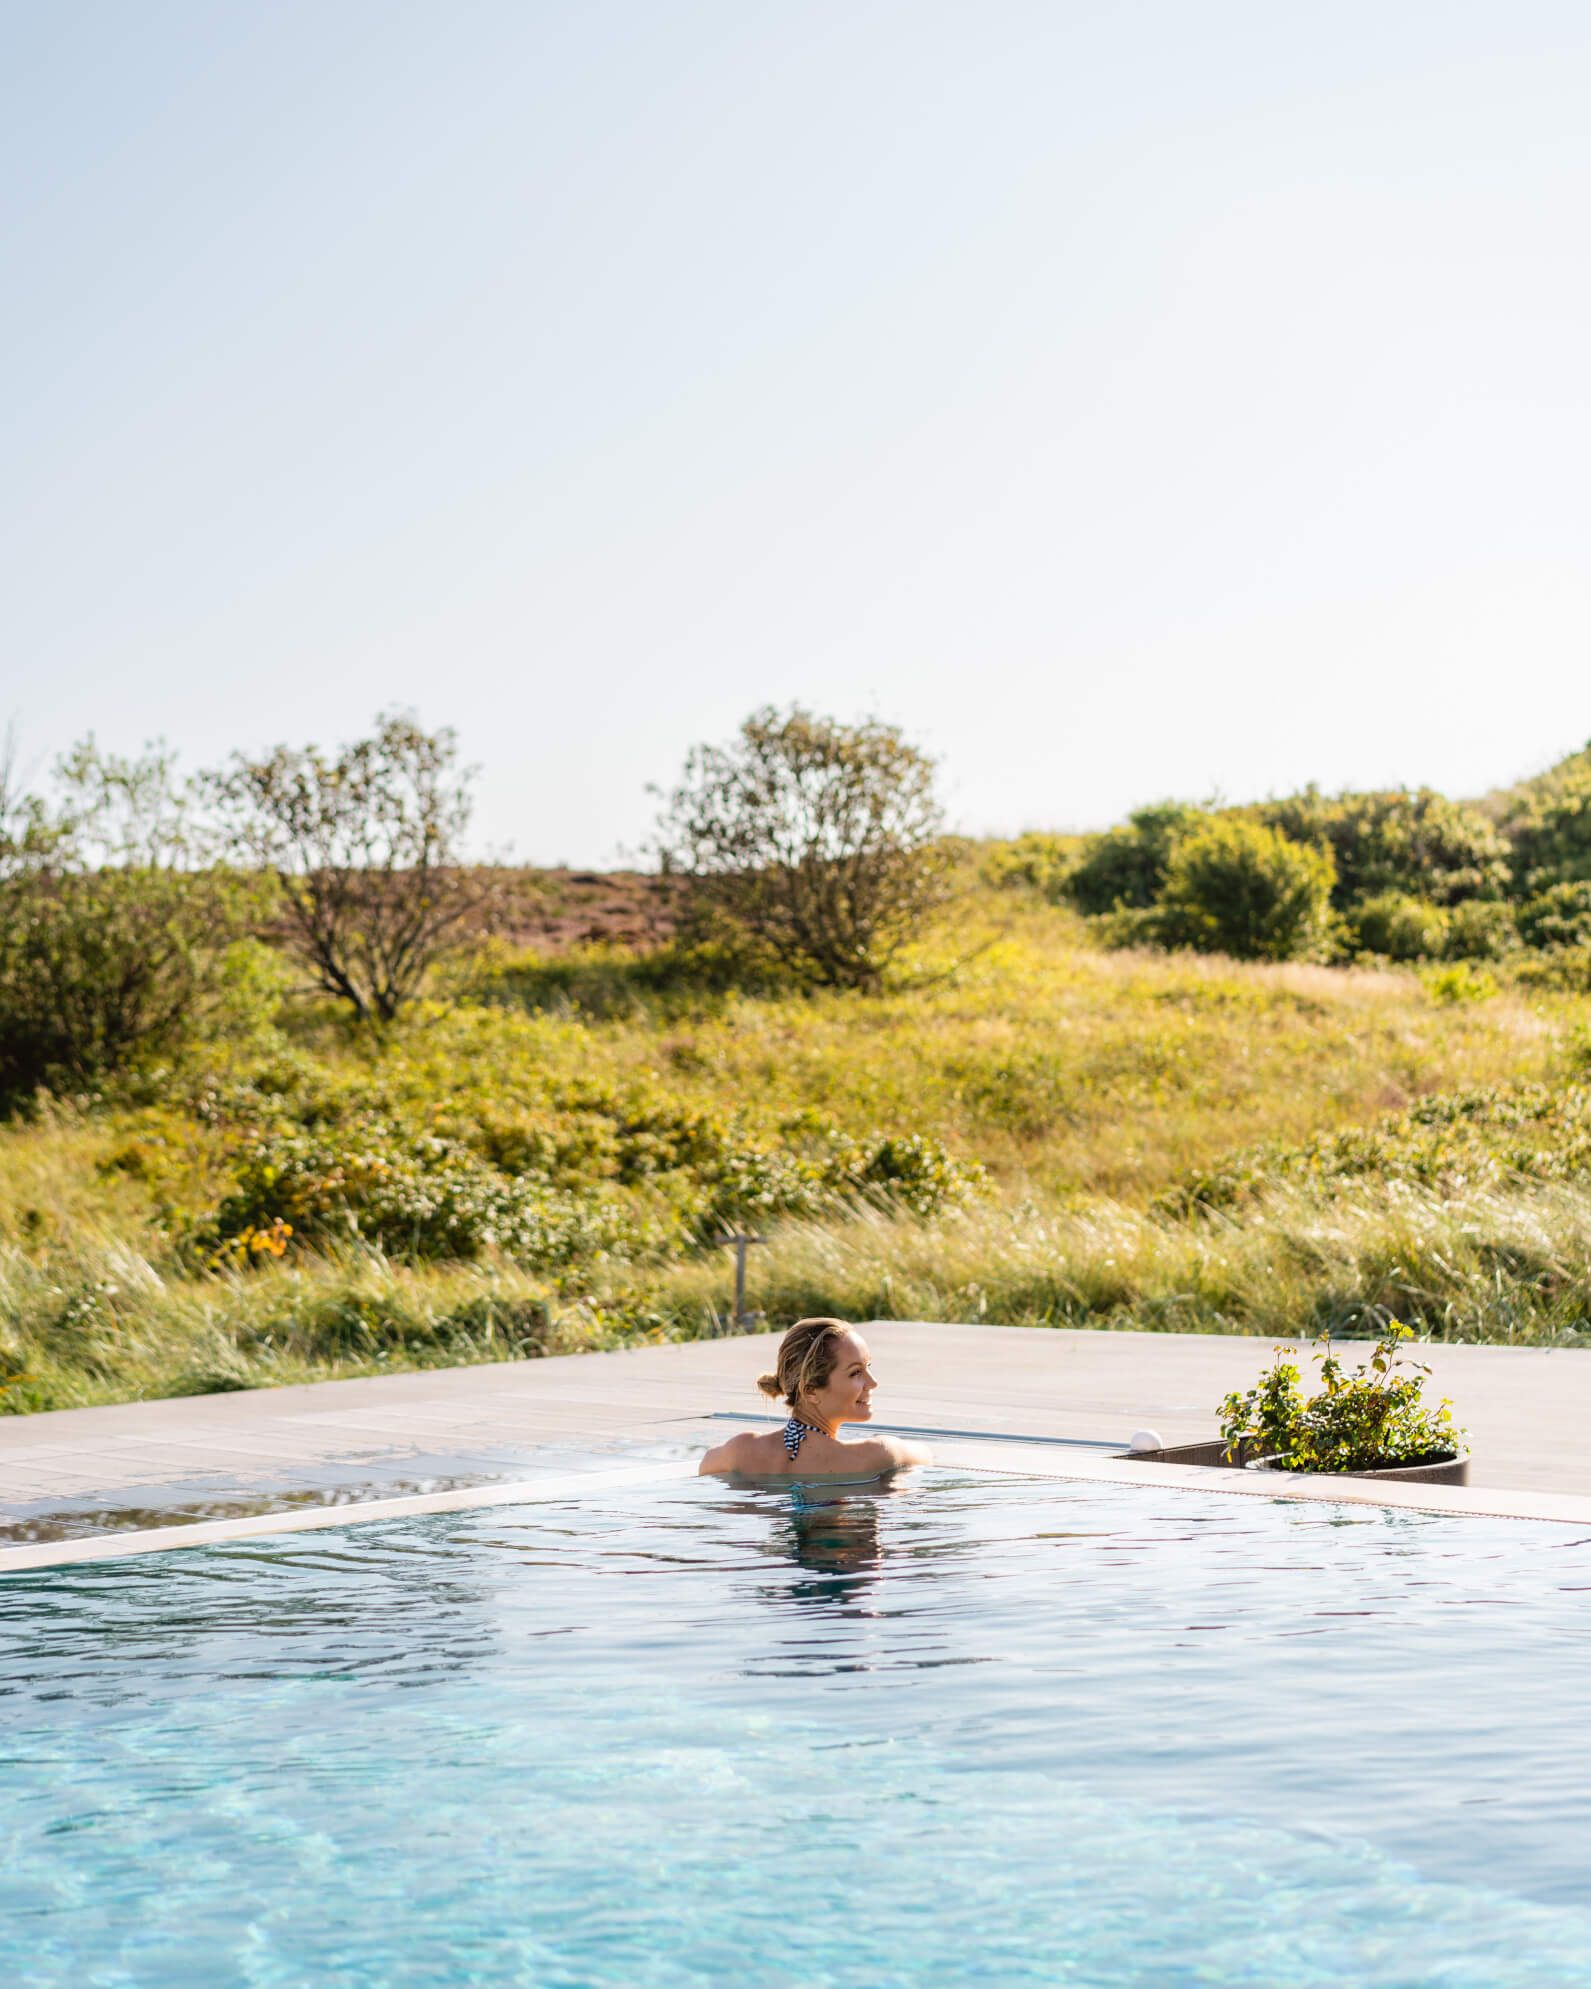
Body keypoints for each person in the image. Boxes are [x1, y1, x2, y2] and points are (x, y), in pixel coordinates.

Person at [697, 1317, 931, 1479]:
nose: (873, 1382)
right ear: (810, 1391)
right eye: (856, 1372)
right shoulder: (877, 1455)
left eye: (868, 1366)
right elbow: (928, 1456)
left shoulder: (740, 1451)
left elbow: (705, 1464)